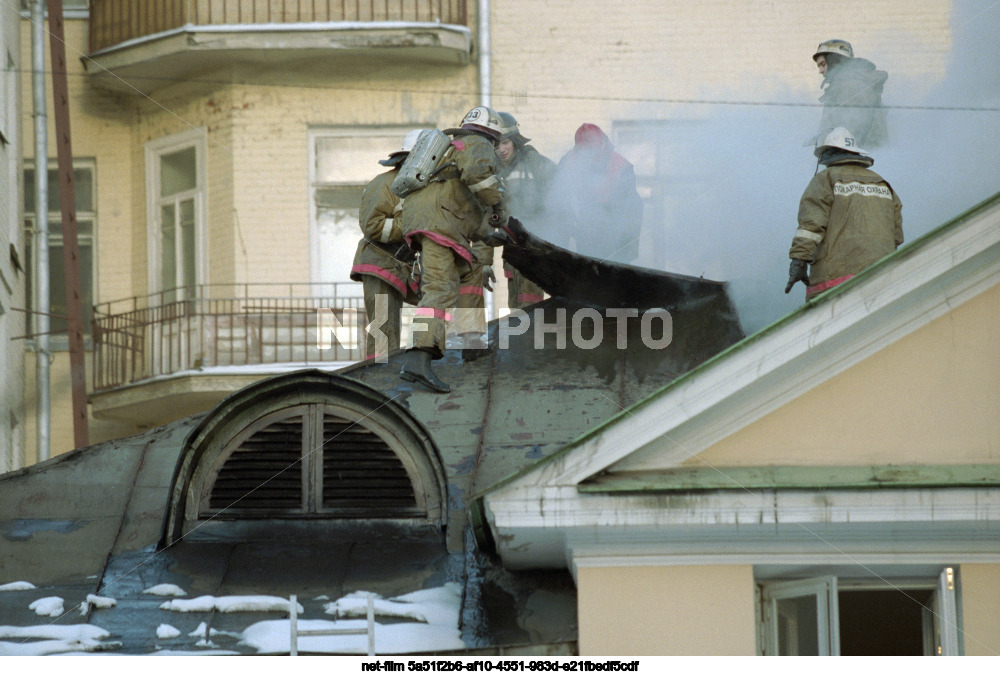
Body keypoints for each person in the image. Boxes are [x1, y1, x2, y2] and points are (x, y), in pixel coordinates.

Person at [397, 106, 509, 393]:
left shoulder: (452, 147)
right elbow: (479, 177)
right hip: (438, 225)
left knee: (470, 272)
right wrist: (498, 203)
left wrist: (489, 234)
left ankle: (472, 343)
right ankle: (417, 361)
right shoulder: (477, 143)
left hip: (436, 221)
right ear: (493, 135)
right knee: (439, 289)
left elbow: (462, 204)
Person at [785, 127, 903, 300]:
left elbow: (811, 225)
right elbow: (897, 237)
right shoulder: (881, 183)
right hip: (883, 276)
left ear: (828, 152)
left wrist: (799, 260)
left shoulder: (825, 179)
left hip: (836, 279)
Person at [350, 130, 423, 359]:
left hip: (403, 265)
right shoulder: (384, 184)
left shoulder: (419, 186)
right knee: (383, 331)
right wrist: (412, 224)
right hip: (379, 262)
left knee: (436, 306)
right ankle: (379, 375)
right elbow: (372, 226)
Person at [547, 123, 643, 263]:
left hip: (612, 231)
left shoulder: (621, 168)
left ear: (604, 145)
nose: (592, 159)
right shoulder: (569, 162)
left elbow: (630, 212)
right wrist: (569, 231)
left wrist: (624, 253)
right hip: (584, 227)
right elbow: (558, 201)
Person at [495, 111, 556, 309]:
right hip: (512, 248)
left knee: (530, 303)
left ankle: (531, 331)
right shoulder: (495, 172)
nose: (501, 149)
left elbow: (560, 187)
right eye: (496, 144)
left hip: (533, 246)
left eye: (505, 142)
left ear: (515, 141)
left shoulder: (532, 161)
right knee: (515, 305)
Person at [811, 39, 889, 149]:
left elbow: (853, 129)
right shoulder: (841, 86)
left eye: (823, 64)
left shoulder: (851, 85)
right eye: (819, 66)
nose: (820, 71)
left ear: (834, 61)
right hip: (850, 156)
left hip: (857, 156)